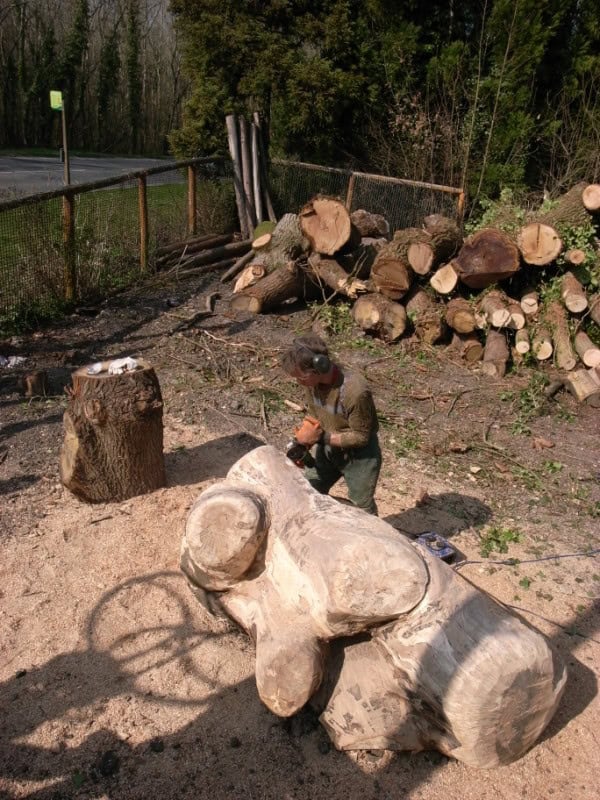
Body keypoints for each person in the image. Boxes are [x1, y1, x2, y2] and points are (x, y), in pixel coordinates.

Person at [280, 334, 382, 515]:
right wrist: (303, 442)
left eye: (301, 377)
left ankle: (375, 532)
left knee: (362, 508)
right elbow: (314, 415)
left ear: (319, 367)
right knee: (309, 490)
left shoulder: (355, 391)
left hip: (360, 457)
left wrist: (321, 437)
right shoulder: (312, 385)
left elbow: (361, 437)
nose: (299, 382)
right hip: (328, 449)